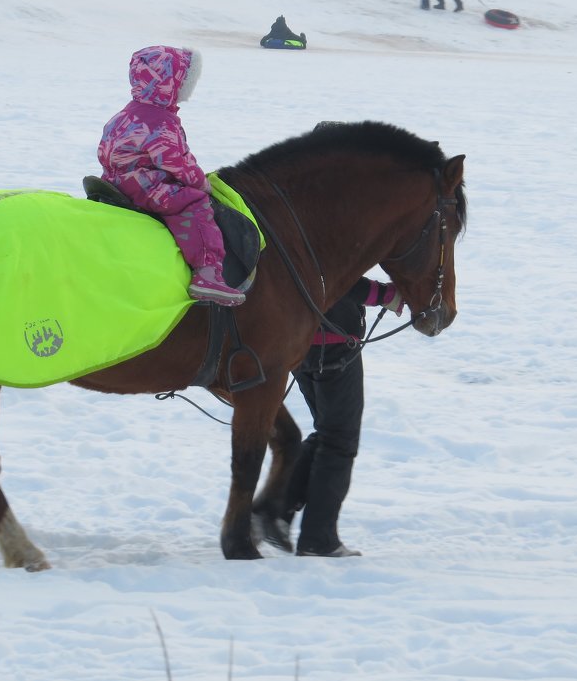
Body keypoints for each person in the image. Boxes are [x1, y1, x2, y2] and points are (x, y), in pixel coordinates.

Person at [255, 276, 405, 557]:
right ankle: (318, 538)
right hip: (334, 345)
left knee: (327, 432)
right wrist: (385, 295)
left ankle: (274, 511)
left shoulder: (296, 231)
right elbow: (339, 277)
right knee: (339, 441)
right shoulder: (328, 232)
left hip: (300, 344)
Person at [97, 46, 246, 307]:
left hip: (114, 181)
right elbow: (179, 164)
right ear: (170, 83)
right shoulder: (160, 122)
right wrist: (203, 184)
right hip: (144, 187)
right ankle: (207, 272)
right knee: (193, 203)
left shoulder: (123, 114)